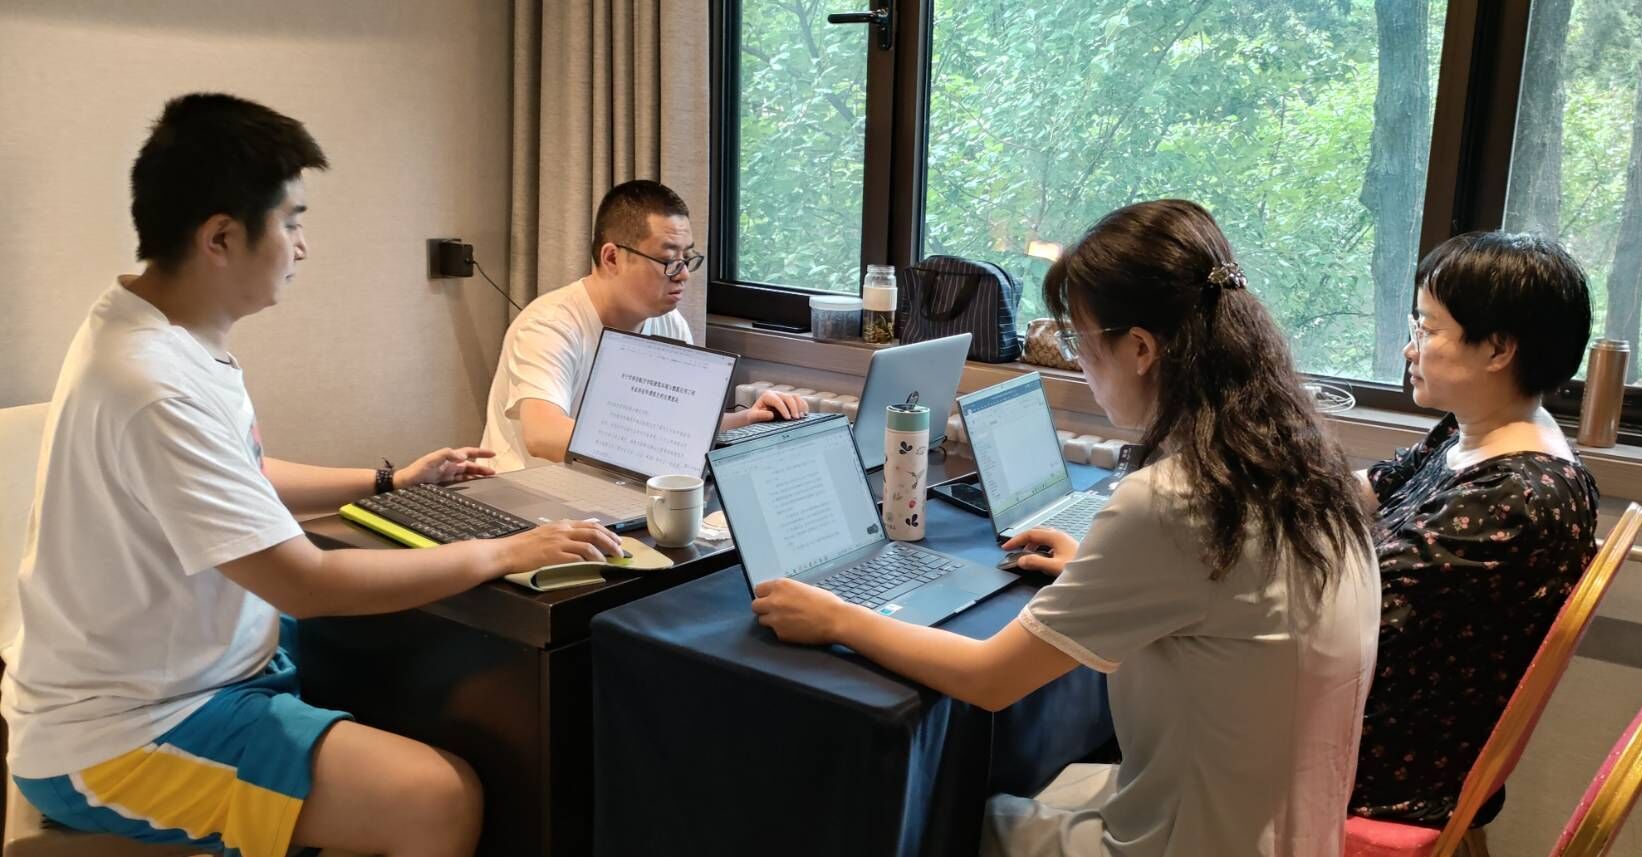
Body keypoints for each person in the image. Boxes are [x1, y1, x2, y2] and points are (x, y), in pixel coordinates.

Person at [1, 93, 623, 857]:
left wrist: (388, 482)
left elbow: (245, 472)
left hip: (202, 672)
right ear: (221, 238)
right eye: (292, 222)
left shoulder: (153, 324)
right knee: (439, 797)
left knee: (412, 681)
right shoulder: (151, 382)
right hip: (124, 735)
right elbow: (305, 581)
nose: (304, 246)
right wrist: (506, 550)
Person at [751, 199, 1379, 857]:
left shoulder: (1175, 499)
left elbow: (990, 677)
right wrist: (1096, 569)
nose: (1080, 363)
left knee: (950, 815)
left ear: (1141, 348)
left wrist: (837, 618)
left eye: (1081, 341)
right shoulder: (1310, 473)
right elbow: (1224, 602)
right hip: (1291, 831)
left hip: (1193, 839)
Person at [1348, 231, 1601, 825]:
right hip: (1374, 714)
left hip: (1390, 768)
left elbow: (1347, 617)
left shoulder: (1514, 498)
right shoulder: (1477, 432)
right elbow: (1374, 486)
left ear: (1497, 349)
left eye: (1426, 329)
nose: (1409, 349)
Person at [478, 179, 805, 471]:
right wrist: (649, 447)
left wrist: (748, 419)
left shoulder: (669, 323)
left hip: (606, 491)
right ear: (612, 258)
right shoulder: (549, 326)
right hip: (528, 498)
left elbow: (681, 427)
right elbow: (542, 435)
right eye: (668, 260)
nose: (683, 274)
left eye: (687, 258)